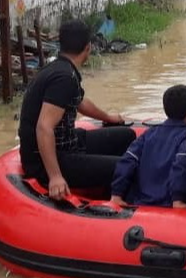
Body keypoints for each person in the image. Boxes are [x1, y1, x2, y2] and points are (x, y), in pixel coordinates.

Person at [18, 19, 136, 200]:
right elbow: (44, 127)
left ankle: (104, 184)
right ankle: (114, 203)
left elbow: (79, 102)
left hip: (68, 142)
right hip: (49, 159)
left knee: (126, 135)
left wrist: (109, 117)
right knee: (129, 166)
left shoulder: (61, 68)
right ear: (88, 48)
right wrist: (55, 176)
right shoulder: (63, 78)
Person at [110, 84, 186, 209]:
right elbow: (182, 163)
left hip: (140, 203)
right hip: (170, 206)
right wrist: (178, 200)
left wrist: (117, 194)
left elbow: (128, 160)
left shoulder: (149, 133)